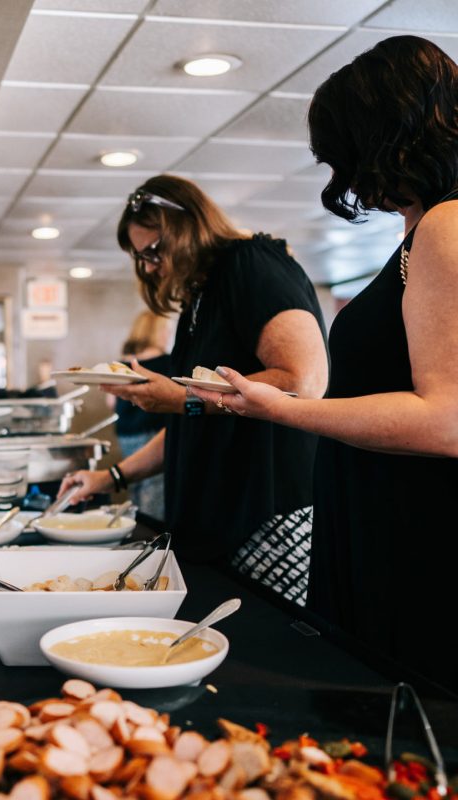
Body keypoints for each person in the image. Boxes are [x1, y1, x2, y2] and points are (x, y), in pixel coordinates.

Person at [186, 35, 458, 693]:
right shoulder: (421, 229)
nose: (344, 176)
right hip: (379, 516)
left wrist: (286, 408)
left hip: (415, 535)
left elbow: (448, 419)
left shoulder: (445, 225)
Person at [59, 174, 329, 606]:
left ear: (186, 227)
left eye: (153, 251)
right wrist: (111, 476)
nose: (148, 267)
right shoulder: (199, 300)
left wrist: (183, 396)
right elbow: (192, 427)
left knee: (265, 653)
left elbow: (303, 380)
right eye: (139, 257)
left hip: (266, 517)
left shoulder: (252, 262)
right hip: (216, 522)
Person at [111, 310, 172, 520]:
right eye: (166, 330)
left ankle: (135, 528)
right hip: (152, 433)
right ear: (158, 332)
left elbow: (111, 402)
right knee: (153, 489)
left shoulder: (122, 364)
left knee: (132, 482)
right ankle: (151, 539)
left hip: (125, 434)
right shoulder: (167, 362)